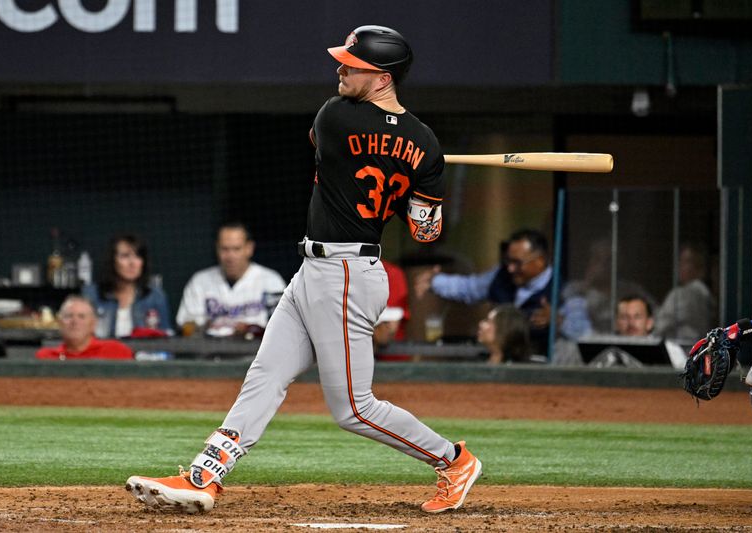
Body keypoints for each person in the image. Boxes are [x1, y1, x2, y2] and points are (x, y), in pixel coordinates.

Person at [126, 25, 482, 515]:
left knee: (354, 409)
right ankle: (204, 477)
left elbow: (344, 155)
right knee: (265, 375)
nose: (340, 68)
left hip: (348, 274)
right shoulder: (421, 142)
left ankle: (454, 460)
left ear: (381, 78)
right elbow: (425, 231)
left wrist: (402, 163)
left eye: (352, 64)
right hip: (317, 270)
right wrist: (422, 171)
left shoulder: (338, 117)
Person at [415, 228, 554, 354]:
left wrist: (557, 321)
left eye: (517, 263)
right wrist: (434, 281)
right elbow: (469, 287)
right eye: (508, 262)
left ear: (540, 261)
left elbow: (573, 329)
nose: (510, 268)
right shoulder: (501, 276)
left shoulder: (561, 288)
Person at [176, 222, 286, 338]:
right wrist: (207, 325)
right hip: (210, 352)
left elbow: (283, 328)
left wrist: (250, 329)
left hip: (256, 352)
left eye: (236, 249)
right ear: (217, 249)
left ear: (249, 248)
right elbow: (185, 326)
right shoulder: (200, 282)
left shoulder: (271, 281)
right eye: (224, 249)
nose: (230, 256)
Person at [83, 234, 173, 338]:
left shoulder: (155, 296)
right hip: (103, 354)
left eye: (138, 256)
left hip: (143, 354)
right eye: (125, 256)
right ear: (113, 261)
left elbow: (166, 341)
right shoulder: (91, 294)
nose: (132, 263)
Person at [36, 296, 133, 359]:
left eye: (81, 316)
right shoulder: (46, 357)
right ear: (59, 323)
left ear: (93, 324)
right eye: (68, 316)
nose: (75, 321)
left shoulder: (116, 351)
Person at [654, 243, 716, 341]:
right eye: (680, 261)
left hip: (684, 350)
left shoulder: (685, 294)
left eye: (686, 261)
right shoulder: (705, 293)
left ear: (699, 266)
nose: (679, 266)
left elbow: (660, 326)